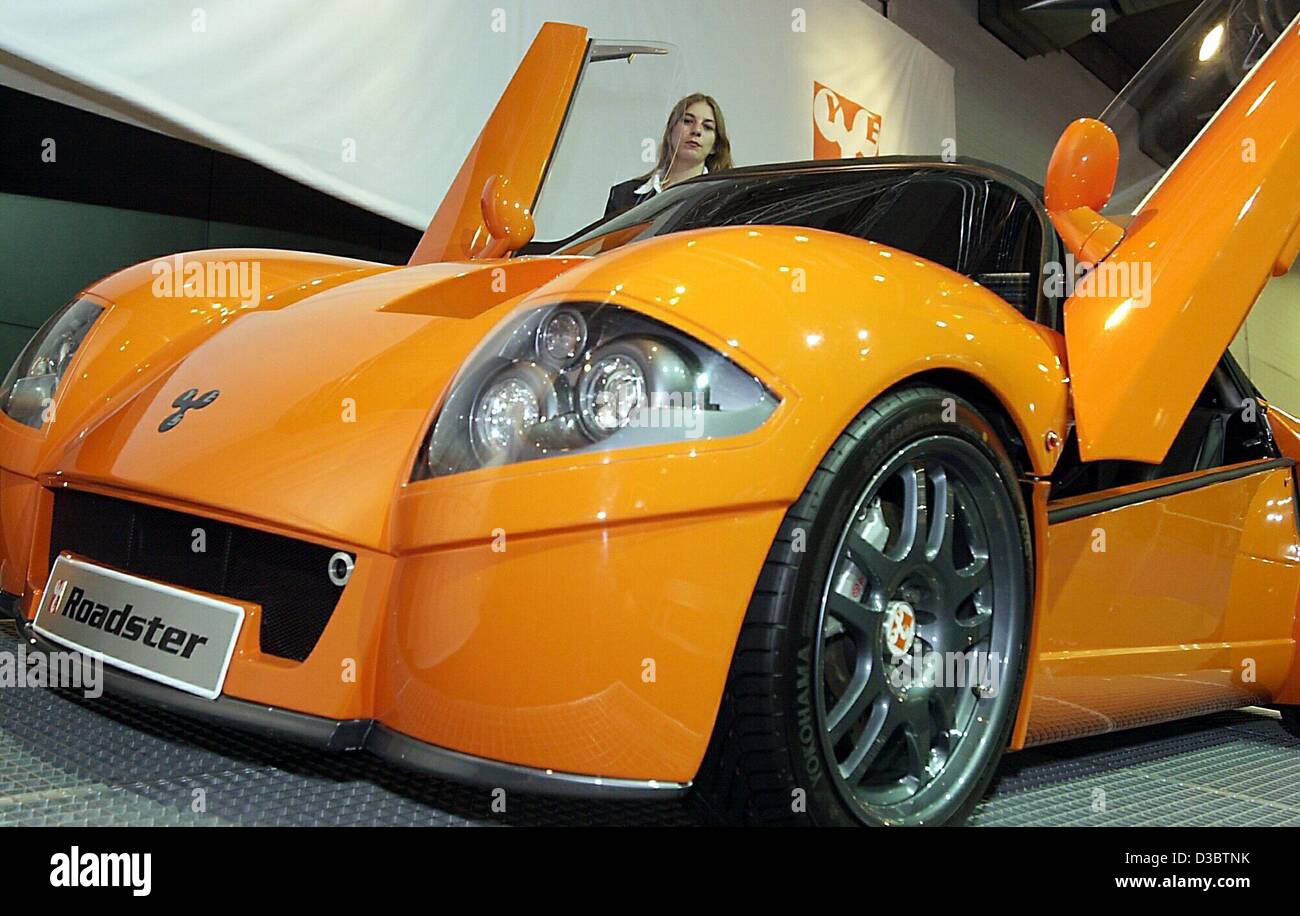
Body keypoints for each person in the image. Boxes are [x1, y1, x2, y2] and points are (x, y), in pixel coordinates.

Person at [604, 93, 733, 219]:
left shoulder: (724, 202)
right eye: (687, 121)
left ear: (715, 146)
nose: (696, 130)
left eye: (707, 127)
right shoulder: (622, 195)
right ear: (670, 131)